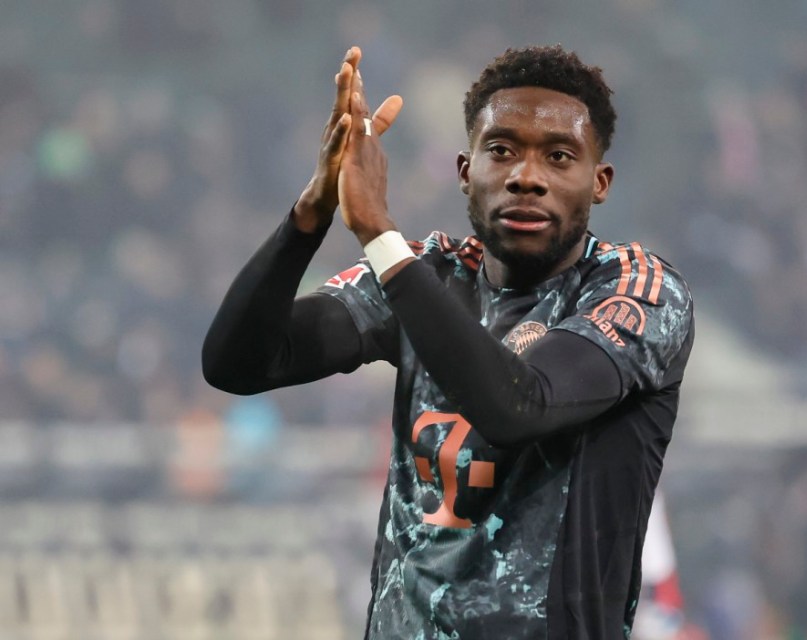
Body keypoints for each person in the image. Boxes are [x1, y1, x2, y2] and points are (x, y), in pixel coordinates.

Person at [203, 44, 695, 639]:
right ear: (466, 172)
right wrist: (311, 214)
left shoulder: (639, 290)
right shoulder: (427, 272)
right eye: (501, 151)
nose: (526, 177)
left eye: (559, 157)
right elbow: (240, 363)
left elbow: (520, 406)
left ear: (600, 182)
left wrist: (379, 235)